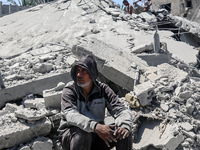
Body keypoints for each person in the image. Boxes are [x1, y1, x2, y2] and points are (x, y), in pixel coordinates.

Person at [58, 54, 133, 150]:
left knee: (123, 133)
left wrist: (125, 125)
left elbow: (121, 110)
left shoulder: (103, 90)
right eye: (77, 71)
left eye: (84, 71)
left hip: (97, 135)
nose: (79, 75)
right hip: (72, 136)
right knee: (83, 133)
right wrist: (95, 126)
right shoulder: (70, 90)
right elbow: (70, 114)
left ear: (92, 73)